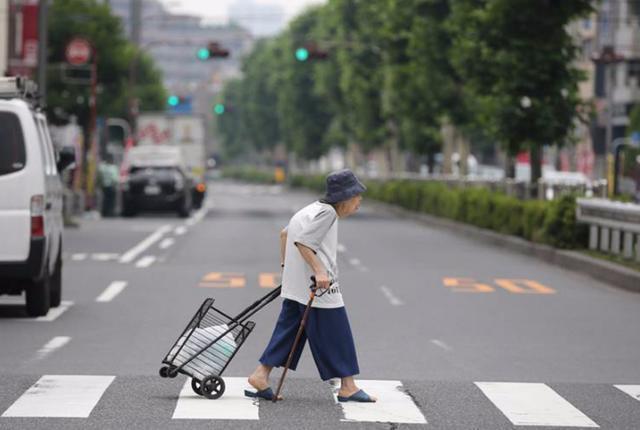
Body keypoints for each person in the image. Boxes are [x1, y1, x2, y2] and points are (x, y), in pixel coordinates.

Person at [246, 169, 377, 403]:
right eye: (357, 196)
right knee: (338, 332)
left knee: (290, 331)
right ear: (345, 198)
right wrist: (319, 270)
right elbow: (303, 242)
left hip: (297, 286)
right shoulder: (328, 213)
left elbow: (285, 234)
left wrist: (287, 269)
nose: (360, 201)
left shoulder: (310, 209)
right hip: (318, 287)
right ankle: (348, 386)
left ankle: (260, 375)